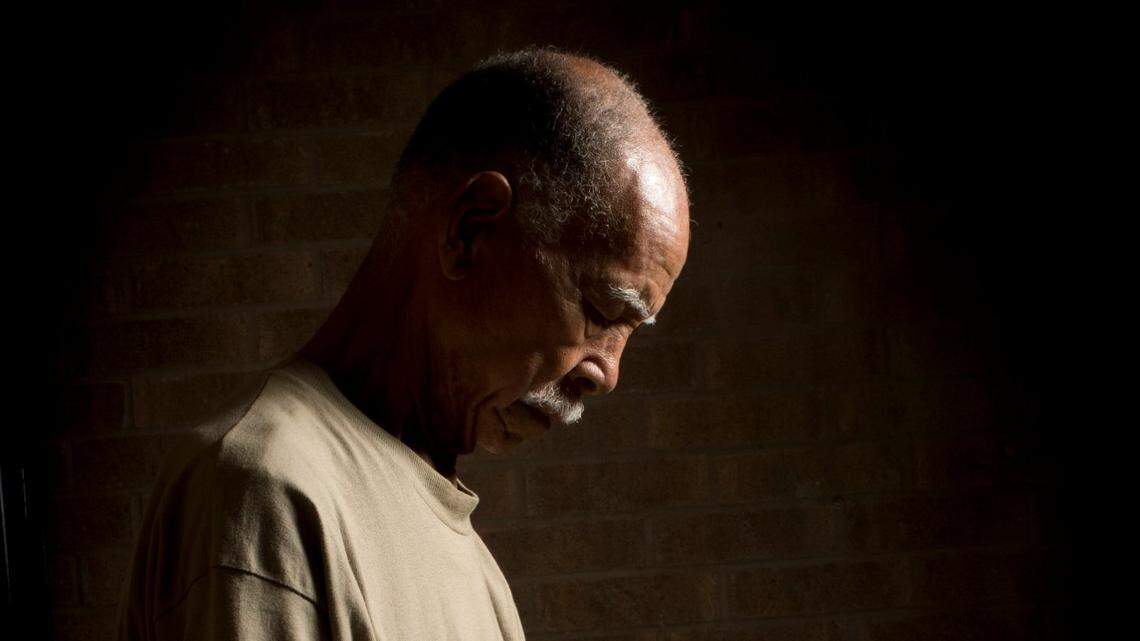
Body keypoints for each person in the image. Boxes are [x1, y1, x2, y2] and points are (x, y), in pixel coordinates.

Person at [117, 48, 690, 641]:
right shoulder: (268, 492)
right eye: (602, 311)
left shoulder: (468, 559)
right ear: (469, 231)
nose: (608, 373)